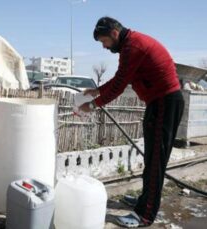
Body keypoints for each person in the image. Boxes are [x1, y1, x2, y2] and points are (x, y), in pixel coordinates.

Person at [79, 16, 185, 227]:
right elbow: (120, 78)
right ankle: (145, 202)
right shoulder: (130, 44)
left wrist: (92, 105)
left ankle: (145, 215)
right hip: (160, 103)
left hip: (165, 102)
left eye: (104, 41)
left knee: (155, 162)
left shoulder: (132, 47)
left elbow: (119, 86)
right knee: (152, 159)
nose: (104, 47)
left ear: (114, 34)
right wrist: (97, 90)